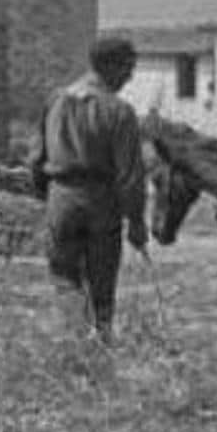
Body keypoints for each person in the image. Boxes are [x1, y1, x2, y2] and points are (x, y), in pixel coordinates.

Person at [30, 37, 148, 342]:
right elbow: (130, 174)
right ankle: (102, 338)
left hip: (61, 196)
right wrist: (136, 220)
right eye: (127, 69)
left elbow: (36, 158)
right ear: (109, 66)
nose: (130, 77)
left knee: (64, 274)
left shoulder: (56, 100)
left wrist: (49, 196)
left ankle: (74, 336)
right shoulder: (120, 111)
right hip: (100, 200)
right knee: (102, 275)